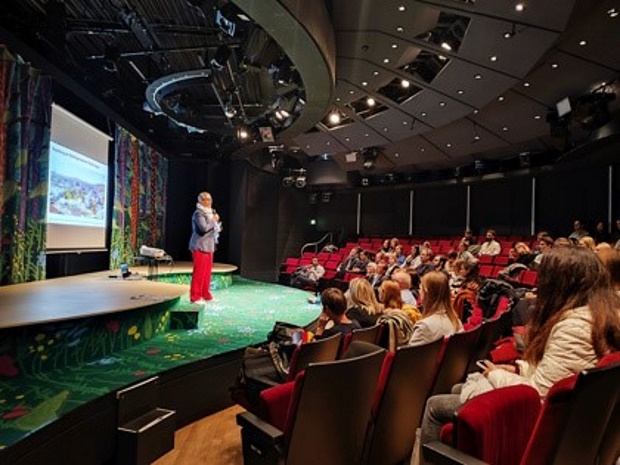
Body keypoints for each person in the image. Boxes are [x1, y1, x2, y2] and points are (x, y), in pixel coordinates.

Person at [419, 247, 620, 447]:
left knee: (435, 406)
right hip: (572, 417)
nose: (539, 286)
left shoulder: (575, 328)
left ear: (561, 284)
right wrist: (519, 369)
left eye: (545, 279)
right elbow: (560, 374)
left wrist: (495, 375)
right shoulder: (597, 314)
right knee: (458, 388)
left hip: (544, 424)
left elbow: (541, 394)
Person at [409, 271, 462, 346]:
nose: (419, 292)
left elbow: (409, 357)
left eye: (420, 289)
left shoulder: (424, 326)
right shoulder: (456, 321)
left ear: (426, 293)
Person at [189, 191, 221, 303]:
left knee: (207, 273)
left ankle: (205, 294)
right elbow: (203, 228)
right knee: (199, 272)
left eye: (210, 199)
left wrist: (217, 227)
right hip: (200, 245)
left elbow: (212, 228)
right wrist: (213, 221)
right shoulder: (198, 213)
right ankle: (195, 296)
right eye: (206, 200)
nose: (209, 202)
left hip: (209, 246)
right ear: (200, 201)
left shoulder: (211, 212)